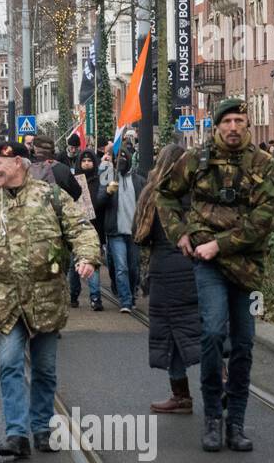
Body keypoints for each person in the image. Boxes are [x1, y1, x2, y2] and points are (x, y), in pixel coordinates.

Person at [0, 140, 102, 458]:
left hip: (45, 298)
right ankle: (16, 433)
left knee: (44, 368)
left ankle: (41, 427)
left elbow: (81, 229)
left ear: (18, 164)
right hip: (4, 299)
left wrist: (87, 257)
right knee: (9, 363)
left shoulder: (51, 197)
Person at [157, 98, 274, 452]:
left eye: (240, 120)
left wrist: (219, 245)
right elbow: (164, 195)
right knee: (211, 333)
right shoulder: (195, 160)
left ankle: (235, 422)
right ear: (216, 125)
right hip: (206, 264)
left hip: (247, 266)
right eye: (228, 121)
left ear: (248, 125)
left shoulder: (263, 164)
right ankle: (212, 416)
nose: (234, 127)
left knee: (243, 343)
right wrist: (179, 232)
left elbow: (262, 221)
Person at [134, 143, 200, 414]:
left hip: (164, 271)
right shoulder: (198, 191)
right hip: (197, 267)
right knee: (204, 330)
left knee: (171, 334)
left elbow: (140, 234)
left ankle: (181, 395)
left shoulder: (153, 193)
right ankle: (221, 379)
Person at [96, 144, 145, 313]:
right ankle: (126, 301)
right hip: (115, 232)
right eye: (119, 158)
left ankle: (131, 293)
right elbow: (99, 202)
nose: (122, 161)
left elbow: (146, 204)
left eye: (125, 157)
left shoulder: (139, 180)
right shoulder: (108, 177)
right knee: (121, 267)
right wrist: (108, 191)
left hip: (134, 232)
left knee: (133, 268)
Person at [69, 149, 104, 311]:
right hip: (75, 229)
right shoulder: (74, 181)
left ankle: (95, 297)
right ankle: (73, 295)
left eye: (90, 161)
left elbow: (100, 205)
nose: (87, 163)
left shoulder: (99, 182)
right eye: (84, 161)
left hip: (95, 229)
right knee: (73, 266)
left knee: (92, 264)